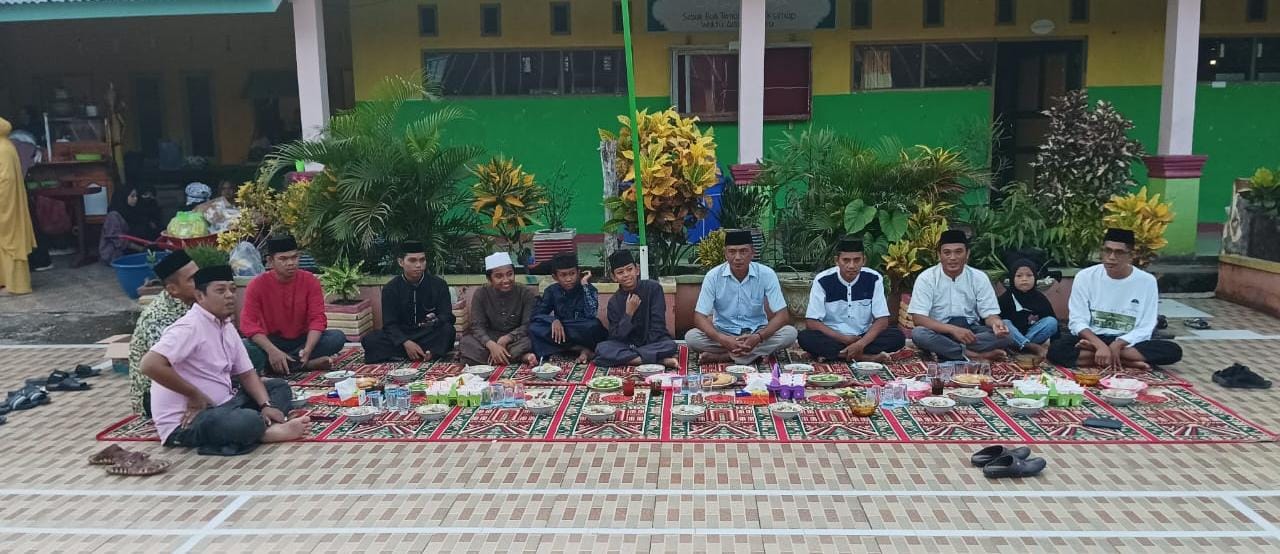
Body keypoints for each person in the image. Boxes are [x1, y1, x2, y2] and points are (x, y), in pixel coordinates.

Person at [141, 265, 309, 456]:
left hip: (227, 403)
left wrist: (266, 405)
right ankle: (266, 432)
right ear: (200, 296)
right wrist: (193, 395)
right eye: (221, 291)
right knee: (246, 421)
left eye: (232, 289)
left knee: (278, 387)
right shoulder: (188, 327)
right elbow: (149, 364)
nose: (229, 295)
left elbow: (247, 374)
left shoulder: (226, 325)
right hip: (190, 421)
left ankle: (262, 422)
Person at [1048, 228, 1182, 370]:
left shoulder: (1147, 281)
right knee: (1056, 350)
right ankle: (1126, 361)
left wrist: (1117, 344)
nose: (1111, 257)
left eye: (1119, 252)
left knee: (1173, 351)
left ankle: (1100, 355)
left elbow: (1146, 325)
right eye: (1107, 251)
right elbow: (1077, 320)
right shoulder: (1085, 277)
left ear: (1131, 256)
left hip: (1127, 342)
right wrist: (1099, 345)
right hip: (1093, 337)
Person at [685, 229, 798, 364]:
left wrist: (758, 337)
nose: (737, 257)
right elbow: (699, 317)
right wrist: (723, 339)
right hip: (723, 332)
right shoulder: (713, 276)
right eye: (732, 252)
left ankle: (725, 357)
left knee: (790, 333)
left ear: (752, 252)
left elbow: (782, 315)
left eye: (743, 251)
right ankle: (752, 355)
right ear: (725, 253)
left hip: (757, 333)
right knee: (692, 338)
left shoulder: (767, 274)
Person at [241, 236, 346, 374]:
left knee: (336, 338)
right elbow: (248, 324)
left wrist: (308, 349)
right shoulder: (256, 285)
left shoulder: (310, 281)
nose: (290, 263)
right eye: (283, 259)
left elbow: (317, 319)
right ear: (270, 261)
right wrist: (272, 351)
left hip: (302, 341)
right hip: (271, 341)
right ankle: (305, 365)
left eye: (294, 257)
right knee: (244, 347)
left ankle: (280, 366)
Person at [908, 229, 1015, 362]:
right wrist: (953, 330)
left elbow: (989, 315)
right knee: (919, 334)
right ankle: (974, 355)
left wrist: (996, 324)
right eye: (947, 252)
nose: (953, 257)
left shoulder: (979, 277)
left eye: (958, 252)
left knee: (1009, 333)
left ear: (967, 254)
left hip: (970, 332)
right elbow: (918, 318)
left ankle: (949, 350)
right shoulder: (926, 278)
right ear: (939, 255)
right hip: (940, 330)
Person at [797, 236, 906, 362]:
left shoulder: (874, 278)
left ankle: (837, 354)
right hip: (834, 336)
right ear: (837, 261)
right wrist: (844, 339)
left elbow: (882, 320)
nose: (851, 265)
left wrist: (861, 343)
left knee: (897, 337)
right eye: (846, 260)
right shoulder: (823, 280)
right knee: (805, 337)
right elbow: (812, 322)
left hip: (863, 336)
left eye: (857, 260)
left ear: (864, 261)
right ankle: (864, 357)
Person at [128, 250, 198, 416]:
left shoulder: (196, 303)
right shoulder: (157, 318)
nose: (201, 281)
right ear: (173, 289)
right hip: (155, 396)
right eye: (192, 279)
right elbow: (164, 369)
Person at [361, 240, 456, 363]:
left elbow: (448, 316)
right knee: (370, 340)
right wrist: (405, 342)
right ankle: (420, 352)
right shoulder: (391, 289)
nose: (419, 265)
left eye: (422, 260)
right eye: (412, 260)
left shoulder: (438, 285)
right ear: (401, 262)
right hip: (402, 335)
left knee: (448, 331)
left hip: (427, 333)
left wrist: (435, 320)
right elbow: (389, 324)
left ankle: (426, 353)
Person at [595, 250, 679, 368]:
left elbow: (658, 326)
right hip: (628, 344)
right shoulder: (613, 302)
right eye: (620, 272)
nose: (626, 275)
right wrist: (628, 314)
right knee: (602, 348)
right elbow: (616, 336)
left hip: (654, 342)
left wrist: (643, 347)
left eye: (629, 269)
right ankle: (660, 360)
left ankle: (632, 359)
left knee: (670, 345)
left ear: (637, 270)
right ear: (614, 277)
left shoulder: (653, 289)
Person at [458, 252, 537, 366]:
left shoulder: (525, 293)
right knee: (466, 343)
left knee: (531, 341)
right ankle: (520, 357)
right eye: (499, 276)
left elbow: (527, 325)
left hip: (516, 339)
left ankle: (496, 358)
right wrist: (491, 345)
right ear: (489, 279)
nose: (506, 280)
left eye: (510, 274)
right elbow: (477, 326)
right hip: (490, 338)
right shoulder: (481, 293)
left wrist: (507, 338)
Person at [529, 253, 607, 363]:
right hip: (562, 330)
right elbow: (538, 314)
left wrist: (585, 285)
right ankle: (578, 349)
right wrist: (553, 320)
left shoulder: (587, 288)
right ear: (555, 277)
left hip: (581, 329)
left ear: (578, 273)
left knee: (594, 325)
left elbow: (591, 314)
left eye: (572, 273)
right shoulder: (551, 291)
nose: (569, 279)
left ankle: (568, 351)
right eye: (563, 275)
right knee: (534, 327)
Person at [0, 117, 36, 296]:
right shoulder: (6, 145)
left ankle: (16, 285)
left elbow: (6, 180)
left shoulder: (3, 149)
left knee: (11, 243)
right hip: (8, 202)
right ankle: (6, 281)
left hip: (7, 204)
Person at [998, 258, 1059, 358]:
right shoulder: (1005, 299)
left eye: (1029, 275)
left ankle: (1023, 346)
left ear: (1035, 277)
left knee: (1051, 322)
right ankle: (1030, 347)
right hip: (1011, 338)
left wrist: (1057, 347)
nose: (1024, 279)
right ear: (1012, 278)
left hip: (1032, 335)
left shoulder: (1040, 298)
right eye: (1019, 276)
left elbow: (1051, 321)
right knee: (1004, 323)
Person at [99, 185, 165, 263]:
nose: (135, 199)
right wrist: (140, 248)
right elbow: (118, 240)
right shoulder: (113, 216)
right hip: (115, 253)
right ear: (123, 197)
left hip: (128, 248)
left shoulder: (130, 211)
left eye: (136, 196)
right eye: (132, 196)